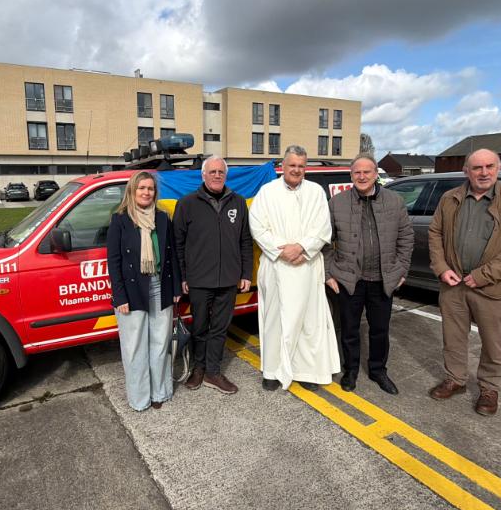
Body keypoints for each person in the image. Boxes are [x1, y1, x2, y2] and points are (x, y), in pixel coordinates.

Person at [428, 149, 501, 416]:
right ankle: (456, 379)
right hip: (454, 286)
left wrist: (482, 275)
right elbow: (435, 233)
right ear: (467, 171)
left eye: (489, 166)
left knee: (493, 343)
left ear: (498, 169)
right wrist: (441, 268)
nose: (483, 172)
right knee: (452, 338)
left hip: (494, 289)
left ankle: (489, 388)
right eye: (477, 168)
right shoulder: (450, 198)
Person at [249, 145, 340, 391]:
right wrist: (283, 251)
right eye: (292, 165)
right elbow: (257, 227)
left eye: (301, 166)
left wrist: (302, 247)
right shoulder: (267, 192)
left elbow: (323, 228)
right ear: (283, 166)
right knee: (274, 321)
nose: (297, 170)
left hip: (307, 267)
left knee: (309, 322)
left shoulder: (316, 192)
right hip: (277, 266)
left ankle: (306, 371)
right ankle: (272, 371)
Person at [324, 153, 413, 394]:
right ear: (351, 175)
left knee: (380, 329)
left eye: (367, 172)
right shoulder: (337, 203)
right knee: (350, 329)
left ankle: (378, 370)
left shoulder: (394, 202)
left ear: (376, 174)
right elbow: (324, 242)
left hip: (383, 279)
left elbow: (406, 238)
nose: (362, 176)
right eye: (357, 172)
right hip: (349, 279)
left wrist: (401, 269)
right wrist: (329, 274)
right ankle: (350, 370)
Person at [173, 156, 253, 395]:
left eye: (221, 172)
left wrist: (245, 273)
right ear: (203, 175)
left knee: (219, 328)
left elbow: (245, 241)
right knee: (200, 327)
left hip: (229, 278)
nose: (217, 175)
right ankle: (198, 368)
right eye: (212, 172)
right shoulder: (187, 204)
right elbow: (178, 244)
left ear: (225, 176)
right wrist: (183, 277)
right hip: (198, 279)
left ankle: (213, 372)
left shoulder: (238, 202)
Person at [107, 171, 181, 411]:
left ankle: (160, 393)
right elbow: (114, 260)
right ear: (132, 190)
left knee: (160, 343)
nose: (146, 192)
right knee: (135, 347)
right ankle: (140, 399)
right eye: (142, 188)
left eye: (150, 188)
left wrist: (176, 286)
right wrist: (119, 296)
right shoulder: (120, 219)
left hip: (161, 285)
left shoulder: (162, 217)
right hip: (131, 290)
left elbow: (171, 254)